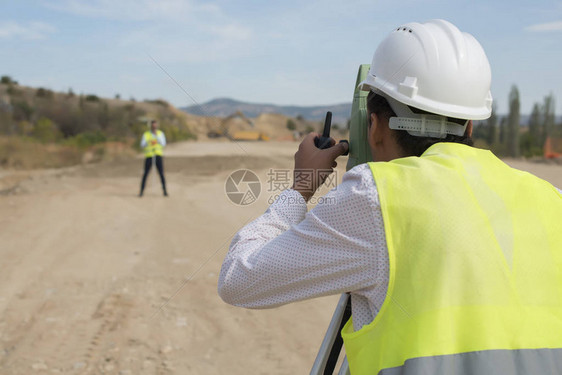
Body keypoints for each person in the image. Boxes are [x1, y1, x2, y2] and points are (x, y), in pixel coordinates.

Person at [218, 19, 562, 374]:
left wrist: (300, 187)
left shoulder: (377, 198)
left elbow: (239, 280)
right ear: (470, 126)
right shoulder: (552, 198)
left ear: (375, 124)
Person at [139, 120, 168, 197]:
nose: (154, 127)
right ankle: (141, 191)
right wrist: (148, 141)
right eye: (153, 125)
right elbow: (142, 145)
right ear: (151, 126)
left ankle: (165, 191)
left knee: (161, 174)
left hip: (158, 155)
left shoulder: (160, 134)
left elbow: (163, 144)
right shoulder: (146, 134)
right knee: (145, 174)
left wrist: (157, 138)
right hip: (149, 156)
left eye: (155, 125)